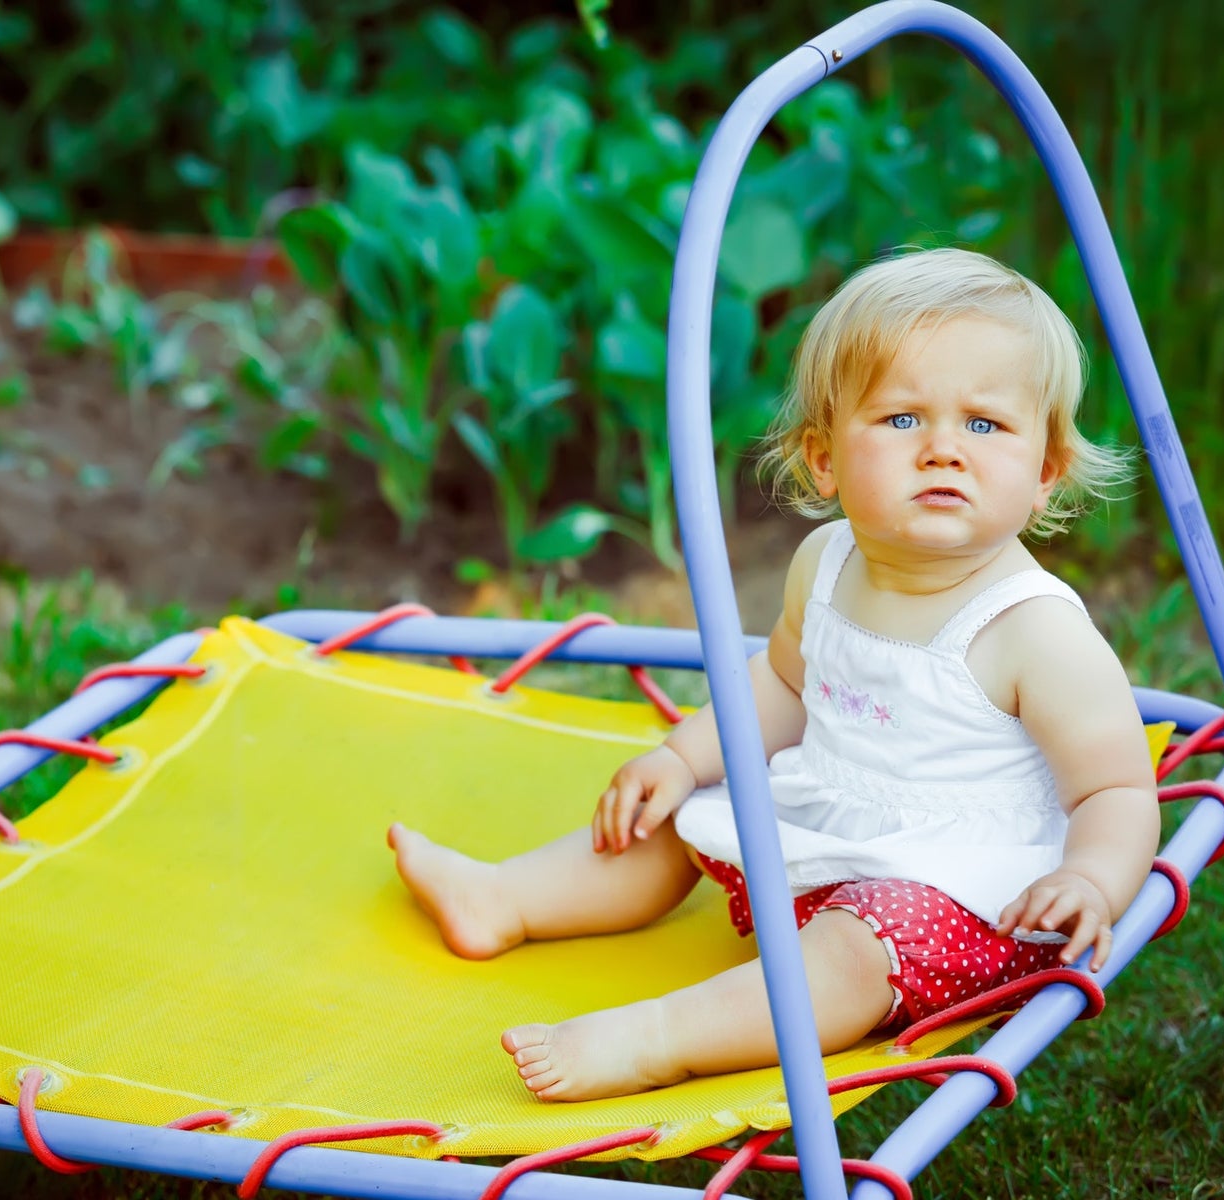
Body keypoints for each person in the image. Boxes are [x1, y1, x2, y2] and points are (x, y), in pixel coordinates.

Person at [387, 247, 1159, 1102]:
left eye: (985, 424)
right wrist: (681, 760)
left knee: (854, 953)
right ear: (823, 459)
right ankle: (505, 898)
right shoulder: (826, 561)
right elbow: (787, 687)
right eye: (902, 419)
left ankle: (661, 1037)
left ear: (1045, 472)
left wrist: (1087, 881)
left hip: (966, 895)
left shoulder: (1033, 630)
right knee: (684, 812)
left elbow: (1118, 790)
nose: (944, 450)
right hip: (831, 819)